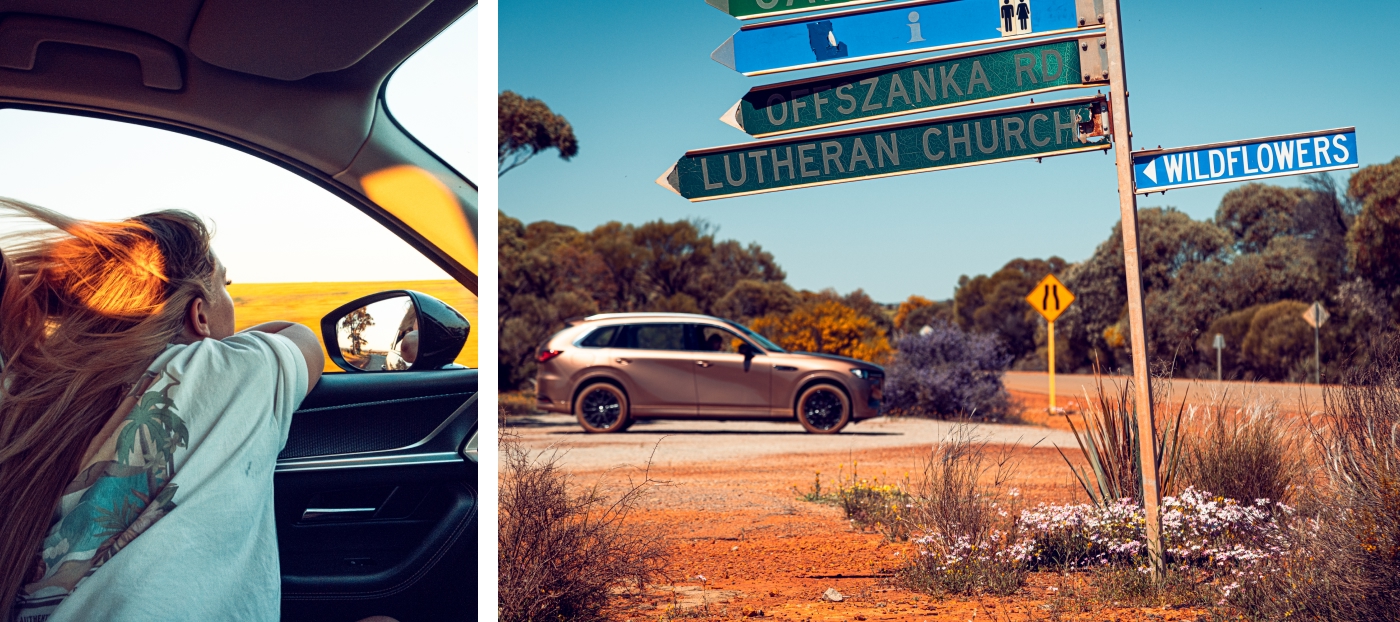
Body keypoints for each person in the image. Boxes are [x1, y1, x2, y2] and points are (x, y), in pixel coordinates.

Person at [0, 200, 383, 622]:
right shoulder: (230, 373)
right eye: (226, 286)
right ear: (199, 314)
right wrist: (220, 346)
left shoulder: (25, 394)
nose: (231, 299)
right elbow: (301, 339)